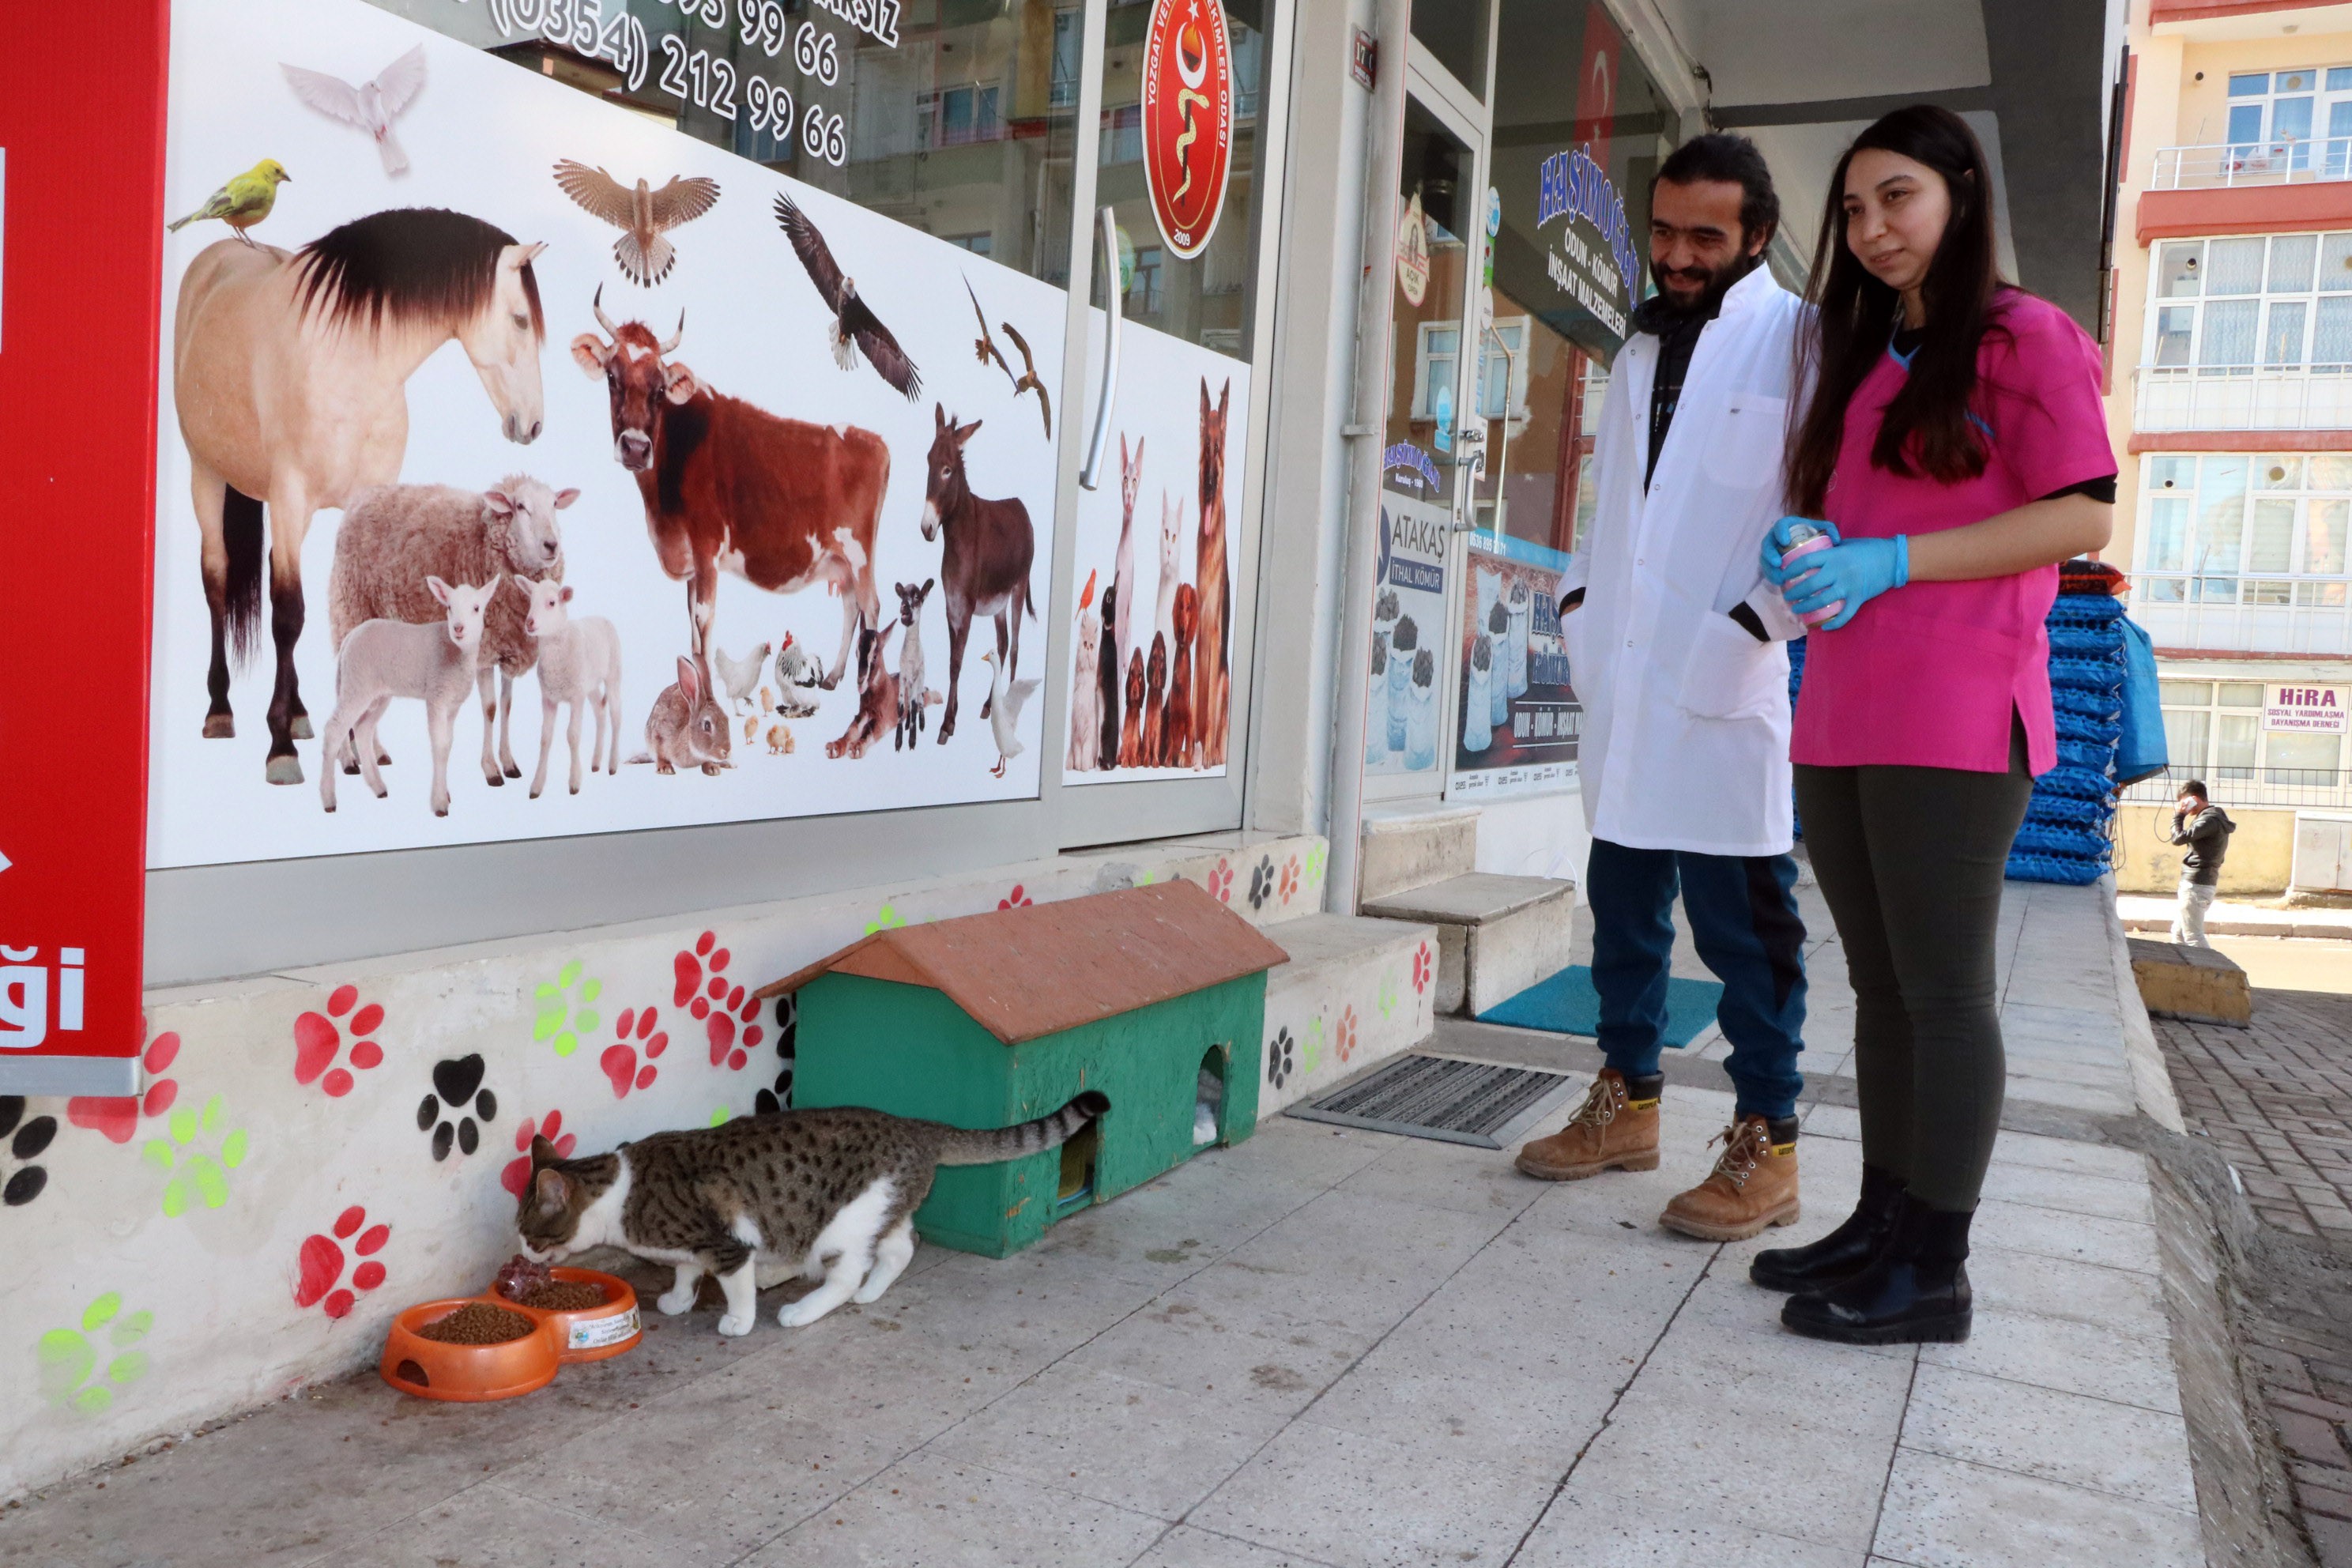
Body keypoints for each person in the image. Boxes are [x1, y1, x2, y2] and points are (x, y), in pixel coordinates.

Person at [1754, 106, 2115, 1345]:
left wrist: (1896, 558)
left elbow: (2081, 519)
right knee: (1885, 986)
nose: (1871, 231)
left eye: (1896, 198)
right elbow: (1837, 505)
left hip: (1958, 715)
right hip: (1844, 706)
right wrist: (1806, 535)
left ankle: (1938, 1271)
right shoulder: (1869, 350)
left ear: (1960, 194)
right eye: (1852, 210)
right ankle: (1884, 1222)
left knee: (1947, 993)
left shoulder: (2025, 336)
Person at [1513, 134, 1814, 1245]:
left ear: (1757, 237)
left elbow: (1825, 521)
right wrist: (1581, 607)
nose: (1679, 257)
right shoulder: (1640, 348)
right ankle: (1627, 1103)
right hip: (1630, 680)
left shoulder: (1801, 342)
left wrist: (1754, 627)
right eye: (1664, 232)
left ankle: (1767, 1143)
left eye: (1706, 237)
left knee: (1747, 937)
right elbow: (1614, 512)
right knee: (1625, 918)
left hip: (1725, 682)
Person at [2168, 781, 2233, 946]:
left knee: (2193, 937)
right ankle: (2185, 971)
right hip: (2198, 883)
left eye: (2185, 801)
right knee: (2179, 933)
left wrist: (2179, 815)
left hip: (2196, 885)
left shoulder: (2209, 820)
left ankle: (2214, 971)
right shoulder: (2211, 818)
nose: (2183, 806)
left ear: (2194, 799)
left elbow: (2178, 838)